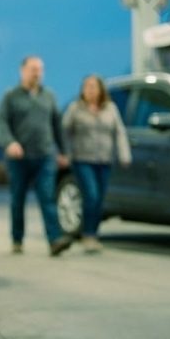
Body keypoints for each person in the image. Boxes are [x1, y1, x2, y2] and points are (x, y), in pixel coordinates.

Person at [0, 55, 73, 256]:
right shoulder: (11, 96)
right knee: (18, 199)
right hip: (19, 158)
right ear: (22, 71)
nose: (36, 73)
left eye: (40, 69)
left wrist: (64, 151)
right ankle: (17, 239)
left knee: (47, 197)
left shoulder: (49, 96)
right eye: (33, 69)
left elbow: (57, 125)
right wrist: (10, 142)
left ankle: (55, 240)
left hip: (45, 155)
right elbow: (2, 123)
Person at [62, 74, 131, 252]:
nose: (91, 90)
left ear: (101, 89)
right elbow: (64, 132)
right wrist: (66, 154)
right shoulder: (75, 109)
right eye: (87, 86)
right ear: (83, 90)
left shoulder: (110, 108)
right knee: (91, 195)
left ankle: (94, 233)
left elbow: (120, 132)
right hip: (82, 159)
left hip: (104, 159)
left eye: (94, 86)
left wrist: (124, 154)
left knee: (99, 199)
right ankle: (88, 234)